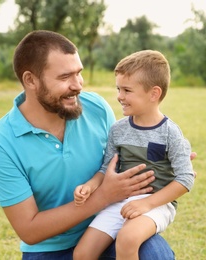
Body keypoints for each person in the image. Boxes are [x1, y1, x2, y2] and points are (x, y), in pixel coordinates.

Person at [0, 30, 196, 259]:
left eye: (79, 73)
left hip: (109, 230)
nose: (78, 85)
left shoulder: (96, 108)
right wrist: (103, 196)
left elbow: (120, 160)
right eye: (65, 77)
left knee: (153, 253)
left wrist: (163, 161)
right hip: (49, 250)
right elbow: (29, 231)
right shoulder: (1, 142)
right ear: (30, 80)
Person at [73, 50, 195, 260]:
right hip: (119, 201)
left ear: (154, 94)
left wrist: (146, 204)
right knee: (82, 253)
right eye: (118, 89)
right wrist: (90, 186)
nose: (119, 96)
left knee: (128, 239)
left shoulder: (170, 133)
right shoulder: (118, 130)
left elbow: (185, 179)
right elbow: (106, 169)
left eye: (127, 90)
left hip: (156, 204)